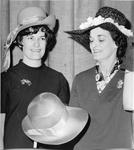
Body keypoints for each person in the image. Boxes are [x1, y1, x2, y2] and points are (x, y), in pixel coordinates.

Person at [1, 6, 70, 149]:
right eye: (31, 37)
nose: (37, 44)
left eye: (42, 38)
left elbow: (63, 127)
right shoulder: (7, 78)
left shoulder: (58, 79)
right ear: (20, 41)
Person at [66, 6, 134, 149]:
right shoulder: (80, 79)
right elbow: (71, 127)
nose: (94, 45)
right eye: (91, 40)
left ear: (116, 43)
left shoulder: (130, 77)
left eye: (101, 39)